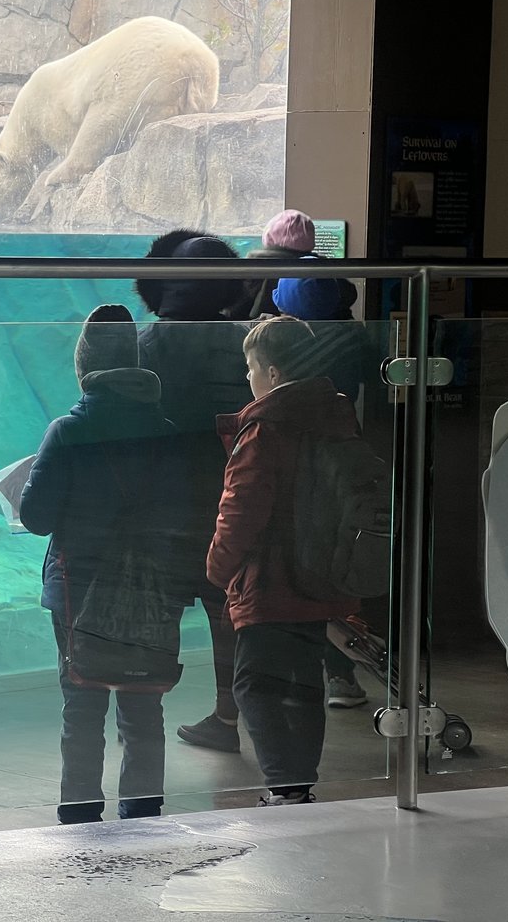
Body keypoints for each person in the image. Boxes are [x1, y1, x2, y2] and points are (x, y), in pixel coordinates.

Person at [20, 304, 183, 823]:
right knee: (142, 702)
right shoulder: (171, 432)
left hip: (78, 584)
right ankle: (142, 806)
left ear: (85, 367)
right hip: (152, 586)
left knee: (82, 703)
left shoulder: (67, 432)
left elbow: (37, 517)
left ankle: (80, 808)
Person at [207, 316, 361, 805]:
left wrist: (217, 567)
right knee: (305, 684)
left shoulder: (265, 428)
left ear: (271, 372)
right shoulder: (338, 417)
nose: (248, 379)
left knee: (254, 684)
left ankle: (283, 788)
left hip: (270, 581)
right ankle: (300, 783)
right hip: (323, 574)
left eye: (251, 368)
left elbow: (241, 509)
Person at [134, 229, 251, 754]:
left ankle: (144, 719)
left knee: (156, 615)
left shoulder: (145, 343)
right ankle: (229, 714)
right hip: (231, 498)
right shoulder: (244, 340)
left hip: (161, 504)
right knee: (228, 611)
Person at [268, 267, 383, 709]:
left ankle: (308, 674)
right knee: (337, 561)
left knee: (303, 563)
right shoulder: (352, 336)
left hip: (302, 464)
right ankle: (342, 675)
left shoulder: (290, 343)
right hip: (345, 452)